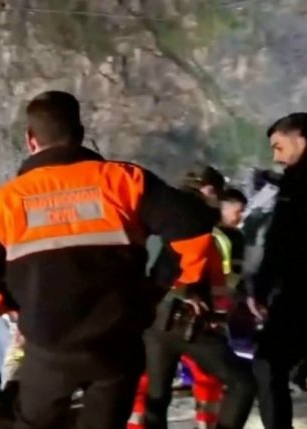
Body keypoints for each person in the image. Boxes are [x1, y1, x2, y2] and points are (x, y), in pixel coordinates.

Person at [0, 90, 219, 429]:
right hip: (116, 345)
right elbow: (193, 229)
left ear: (30, 140)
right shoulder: (124, 181)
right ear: (80, 134)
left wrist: (16, 308)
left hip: (49, 348)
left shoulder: (5, 202)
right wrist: (158, 288)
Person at [130, 172, 255, 429]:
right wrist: (187, 294)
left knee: (157, 396)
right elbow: (189, 267)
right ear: (208, 191)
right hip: (186, 321)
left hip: (159, 321)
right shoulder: (199, 224)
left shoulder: (167, 219)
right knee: (242, 383)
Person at [248, 112, 307, 429]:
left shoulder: (295, 185)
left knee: (268, 363)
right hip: (294, 292)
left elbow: (281, 242)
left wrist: (260, 288)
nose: (276, 157)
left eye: (279, 147)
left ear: (301, 138)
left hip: (298, 293)